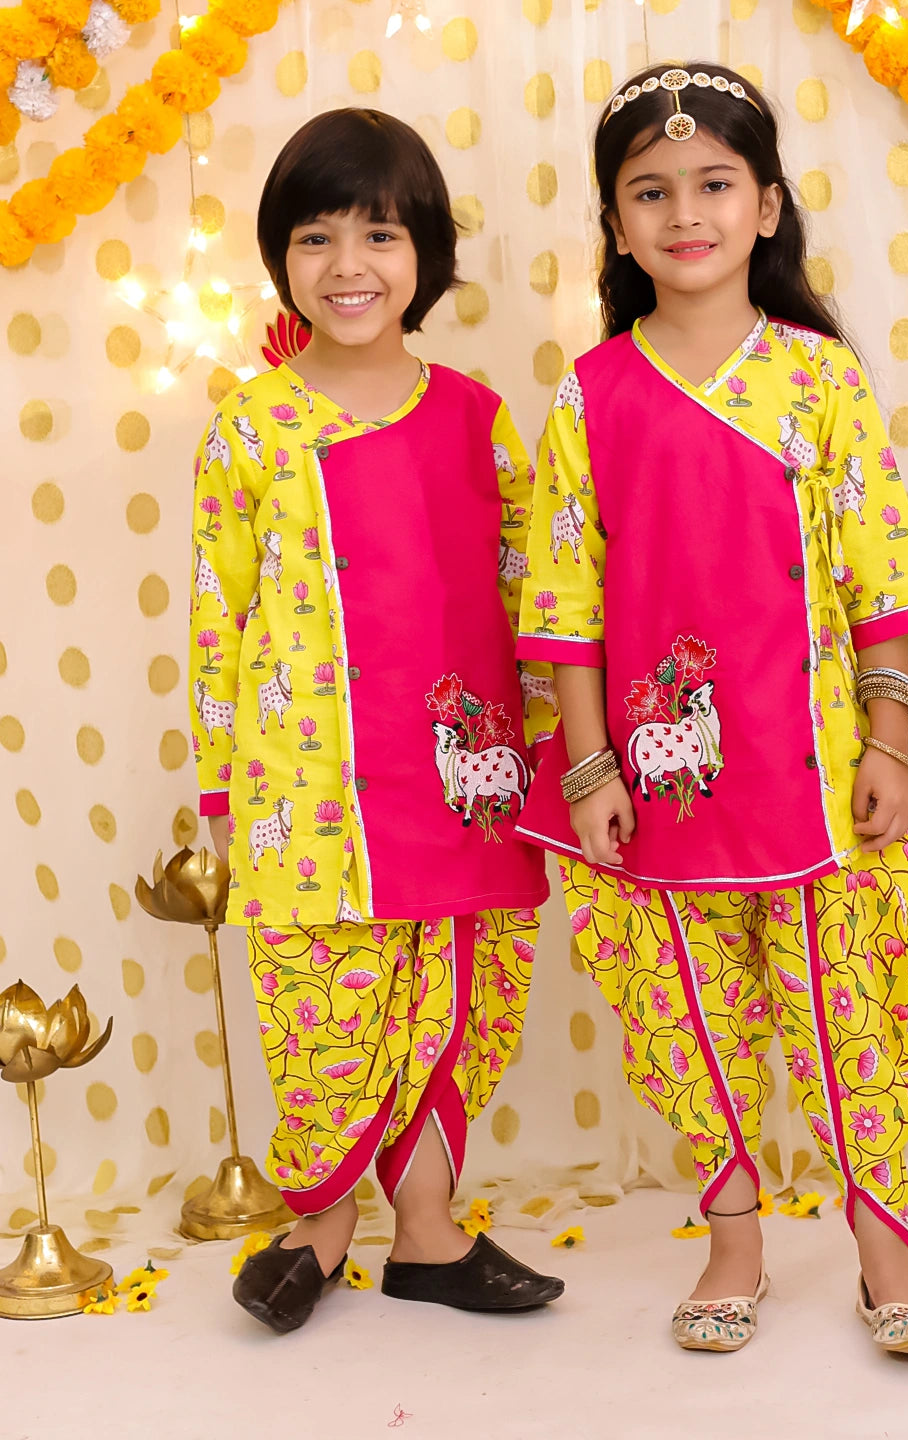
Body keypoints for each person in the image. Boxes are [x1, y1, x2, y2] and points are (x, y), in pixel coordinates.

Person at [515, 63, 908, 1359]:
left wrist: (889, 740)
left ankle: (885, 1251)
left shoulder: (819, 381)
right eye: (649, 191)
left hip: (813, 773)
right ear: (615, 225)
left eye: (713, 183)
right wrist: (590, 766)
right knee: (686, 1013)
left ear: (766, 207)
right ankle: (734, 1238)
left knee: (845, 1013)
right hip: (659, 784)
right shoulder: (591, 394)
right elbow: (566, 602)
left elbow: (879, 576)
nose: (684, 212)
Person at [188, 108, 563, 1333]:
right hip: (310, 791)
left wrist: (553, 749)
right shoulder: (250, 426)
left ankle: (429, 1233)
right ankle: (321, 1221)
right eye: (316, 237)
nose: (348, 265)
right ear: (279, 257)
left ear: (427, 254)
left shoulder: (477, 417)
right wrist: (221, 788)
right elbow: (216, 615)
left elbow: (532, 592)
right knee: (327, 1012)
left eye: (380, 234)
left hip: (464, 776)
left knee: (458, 1001)